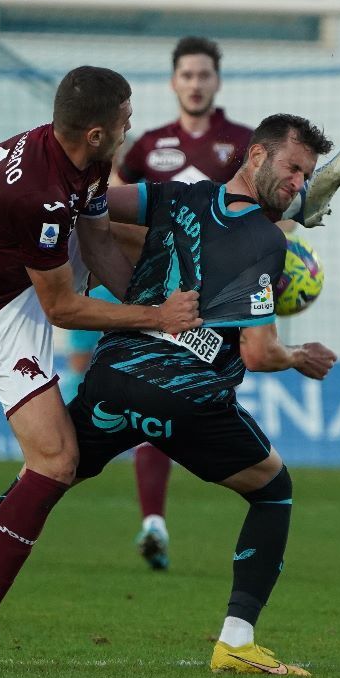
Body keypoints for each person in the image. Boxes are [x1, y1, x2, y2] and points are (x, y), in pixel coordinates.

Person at [0, 114, 339, 676]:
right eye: (293, 169)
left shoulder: (173, 196)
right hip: (185, 397)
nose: (297, 182)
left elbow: (94, 207)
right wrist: (298, 356)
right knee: (273, 491)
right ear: (256, 156)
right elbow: (259, 353)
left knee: (37, 483)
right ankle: (236, 641)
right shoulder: (266, 242)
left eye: (304, 176)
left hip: (114, 377)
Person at [0, 66, 203, 656]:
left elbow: (97, 244)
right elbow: (62, 308)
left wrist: (158, 312)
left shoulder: (83, 159)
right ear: (96, 132)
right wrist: (157, 317)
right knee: (55, 462)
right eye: (125, 117)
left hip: (15, 273)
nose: (131, 126)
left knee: (149, 239)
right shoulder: (42, 196)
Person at [110, 36, 255, 571]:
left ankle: (250, 504)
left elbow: (267, 209)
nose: (195, 84)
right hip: (162, 298)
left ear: (217, 81)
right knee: (159, 396)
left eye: (204, 75)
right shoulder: (150, 145)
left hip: (221, 303)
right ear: (174, 82)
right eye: (187, 75)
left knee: (186, 402)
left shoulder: (241, 143)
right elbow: (110, 196)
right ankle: (154, 520)